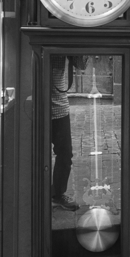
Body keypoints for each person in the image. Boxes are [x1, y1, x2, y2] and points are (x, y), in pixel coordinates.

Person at [50, 55, 78, 210]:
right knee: (36, 157)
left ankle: (58, 194)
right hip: (37, 107)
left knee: (65, 154)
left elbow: (81, 64)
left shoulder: (62, 49)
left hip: (59, 108)